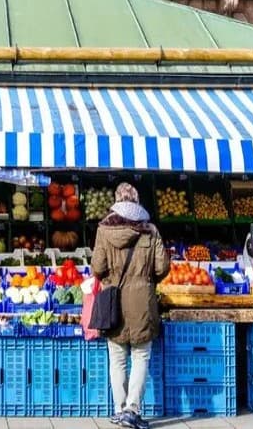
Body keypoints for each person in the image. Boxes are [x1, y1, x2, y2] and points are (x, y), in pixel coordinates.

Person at [91, 182, 170, 429]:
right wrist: (146, 281)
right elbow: (162, 267)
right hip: (142, 303)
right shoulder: (151, 231)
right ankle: (132, 409)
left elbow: (97, 268)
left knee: (117, 358)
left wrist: (110, 280)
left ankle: (119, 408)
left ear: (116, 200)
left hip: (113, 302)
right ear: (136, 201)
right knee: (141, 355)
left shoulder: (104, 229)